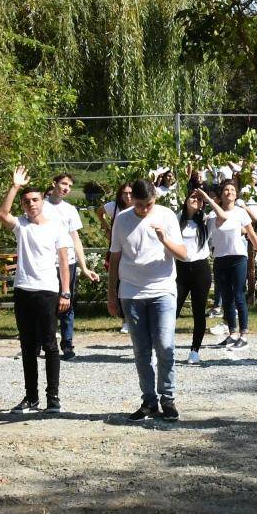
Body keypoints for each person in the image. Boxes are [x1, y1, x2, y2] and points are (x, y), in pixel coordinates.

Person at [108, 179, 189, 421]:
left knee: (165, 345)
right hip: (131, 292)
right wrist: (112, 293)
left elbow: (184, 255)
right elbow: (114, 258)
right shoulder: (122, 219)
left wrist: (164, 240)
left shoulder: (166, 216)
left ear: (155, 198)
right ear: (131, 198)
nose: (144, 209)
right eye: (140, 204)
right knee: (141, 350)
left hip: (162, 289)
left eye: (149, 204)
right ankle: (149, 401)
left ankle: (168, 398)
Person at [0, 168, 73, 413]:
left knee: (50, 344)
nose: (31, 204)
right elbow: (2, 213)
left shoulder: (56, 227)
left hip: (48, 291)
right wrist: (15, 186)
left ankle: (53, 397)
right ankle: (31, 397)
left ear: (43, 200)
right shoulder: (21, 225)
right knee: (27, 346)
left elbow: (63, 262)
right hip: (23, 290)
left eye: (35, 200)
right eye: (27, 201)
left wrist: (65, 292)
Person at [199, 181, 257, 351]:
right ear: (221, 195)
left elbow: (252, 235)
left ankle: (243, 334)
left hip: (238, 258)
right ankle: (232, 333)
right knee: (226, 298)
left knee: (238, 295)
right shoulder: (212, 216)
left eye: (233, 190)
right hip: (220, 259)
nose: (229, 192)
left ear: (236, 195)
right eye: (226, 190)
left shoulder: (241, 212)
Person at [44, 173, 99, 360]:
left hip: (68, 262)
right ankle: (46, 343)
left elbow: (75, 239)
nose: (66, 188)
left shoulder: (70, 210)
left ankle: (67, 345)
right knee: (47, 303)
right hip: (47, 262)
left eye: (69, 185)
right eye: (63, 183)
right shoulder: (41, 206)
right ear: (54, 184)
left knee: (67, 302)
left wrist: (84, 267)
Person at [175, 189, 215, 365]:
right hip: (180, 268)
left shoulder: (207, 220)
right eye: (193, 197)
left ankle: (194, 350)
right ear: (185, 199)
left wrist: (206, 199)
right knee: (172, 310)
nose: (196, 200)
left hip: (200, 268)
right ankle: (162, 348)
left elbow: (224, 216)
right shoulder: (177, 219)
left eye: (199, 199)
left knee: (199, 312)